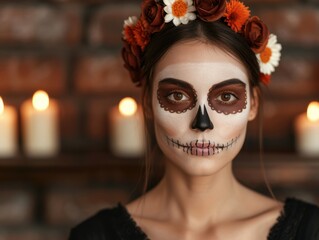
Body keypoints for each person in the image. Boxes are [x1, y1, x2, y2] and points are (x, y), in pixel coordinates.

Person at [69, 0, 319, 239]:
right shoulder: (94, 236)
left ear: (253, 103)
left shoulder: (311, 231)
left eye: (227, 96)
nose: (202, 124)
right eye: (177, 96)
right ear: (147, 102)